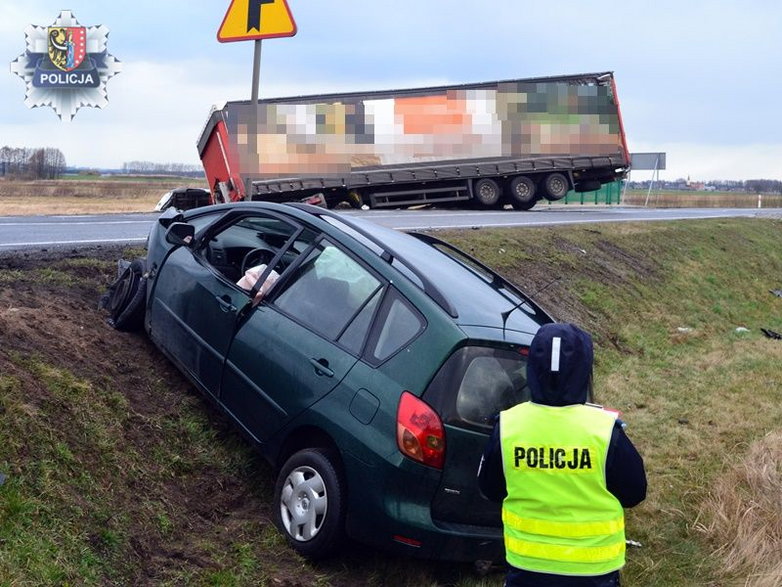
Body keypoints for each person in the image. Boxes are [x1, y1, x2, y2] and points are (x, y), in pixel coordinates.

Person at [478, 323, 646, 586]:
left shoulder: (508, 426)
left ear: (533, 366)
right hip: (594, 571)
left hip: (527, 567)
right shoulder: (604, 431)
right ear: (584, 370)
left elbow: (490, 489)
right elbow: (634, 493)